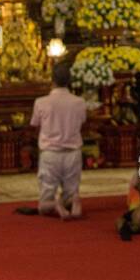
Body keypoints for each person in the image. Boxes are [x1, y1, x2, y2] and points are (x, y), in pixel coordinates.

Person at [29, 61, 87, 219]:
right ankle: (73, 201)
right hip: (73, 152)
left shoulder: (41, 102)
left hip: (50, 153)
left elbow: (35, 125)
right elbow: (82, 123)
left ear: (52, 80)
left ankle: (54, 204)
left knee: (44, 203)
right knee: (71, 191)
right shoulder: (79, 102)